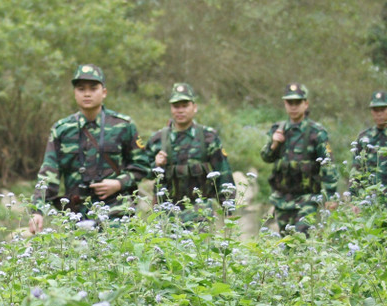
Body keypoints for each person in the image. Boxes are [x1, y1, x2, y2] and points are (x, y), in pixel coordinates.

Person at [28, 64, 150, 234]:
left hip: (116, 212)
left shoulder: (123, 126)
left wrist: (118, 183)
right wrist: (37, 210)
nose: (87, 93)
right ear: (74, 93)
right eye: (81, 89)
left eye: (93, 88)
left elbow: (142, 166)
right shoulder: (62, 130)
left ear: (104, 92)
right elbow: (49, 173)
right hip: (76, 214)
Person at [146, 82, 234, 224]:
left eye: (185, 106)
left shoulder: (208, 137)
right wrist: (156, 165)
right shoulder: (157, 140)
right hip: (166, 213)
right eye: (176, 106)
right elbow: (143, 172)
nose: (180, 110)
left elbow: (223, 174)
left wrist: (228, 211)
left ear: (194, 107)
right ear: (171, 109)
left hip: (200, 212)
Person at [260, 83, 339, 234]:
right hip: (282, 199)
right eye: (290, 102)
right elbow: (266, 157)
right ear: (285, 104)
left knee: (302, 237)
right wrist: (274, 144)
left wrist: (331, 196)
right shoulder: (278, 129)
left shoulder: (316, 132)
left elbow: (328, 165)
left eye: (297, 102)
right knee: (286, 240)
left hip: (307, 198)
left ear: (306, 104)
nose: (293, 107)